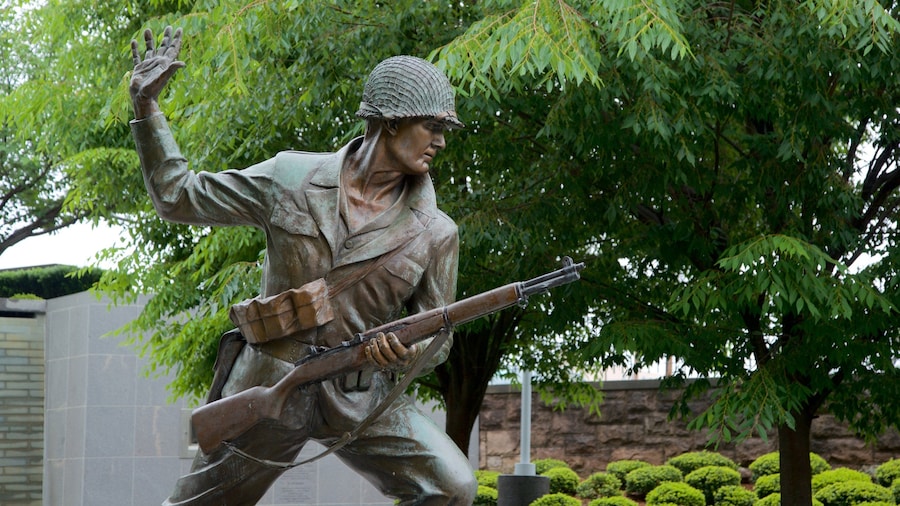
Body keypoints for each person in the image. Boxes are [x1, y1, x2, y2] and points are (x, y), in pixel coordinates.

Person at [129, 26, 477, 505]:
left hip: (360, 398)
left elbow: (440, 338)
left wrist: (406, 354)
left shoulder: (437, 232)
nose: (440, 141)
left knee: (453, 487)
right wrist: (146, 108)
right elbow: (177, 196)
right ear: (392, 122)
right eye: (432, 127)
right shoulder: (289, 177)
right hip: (270, 384)